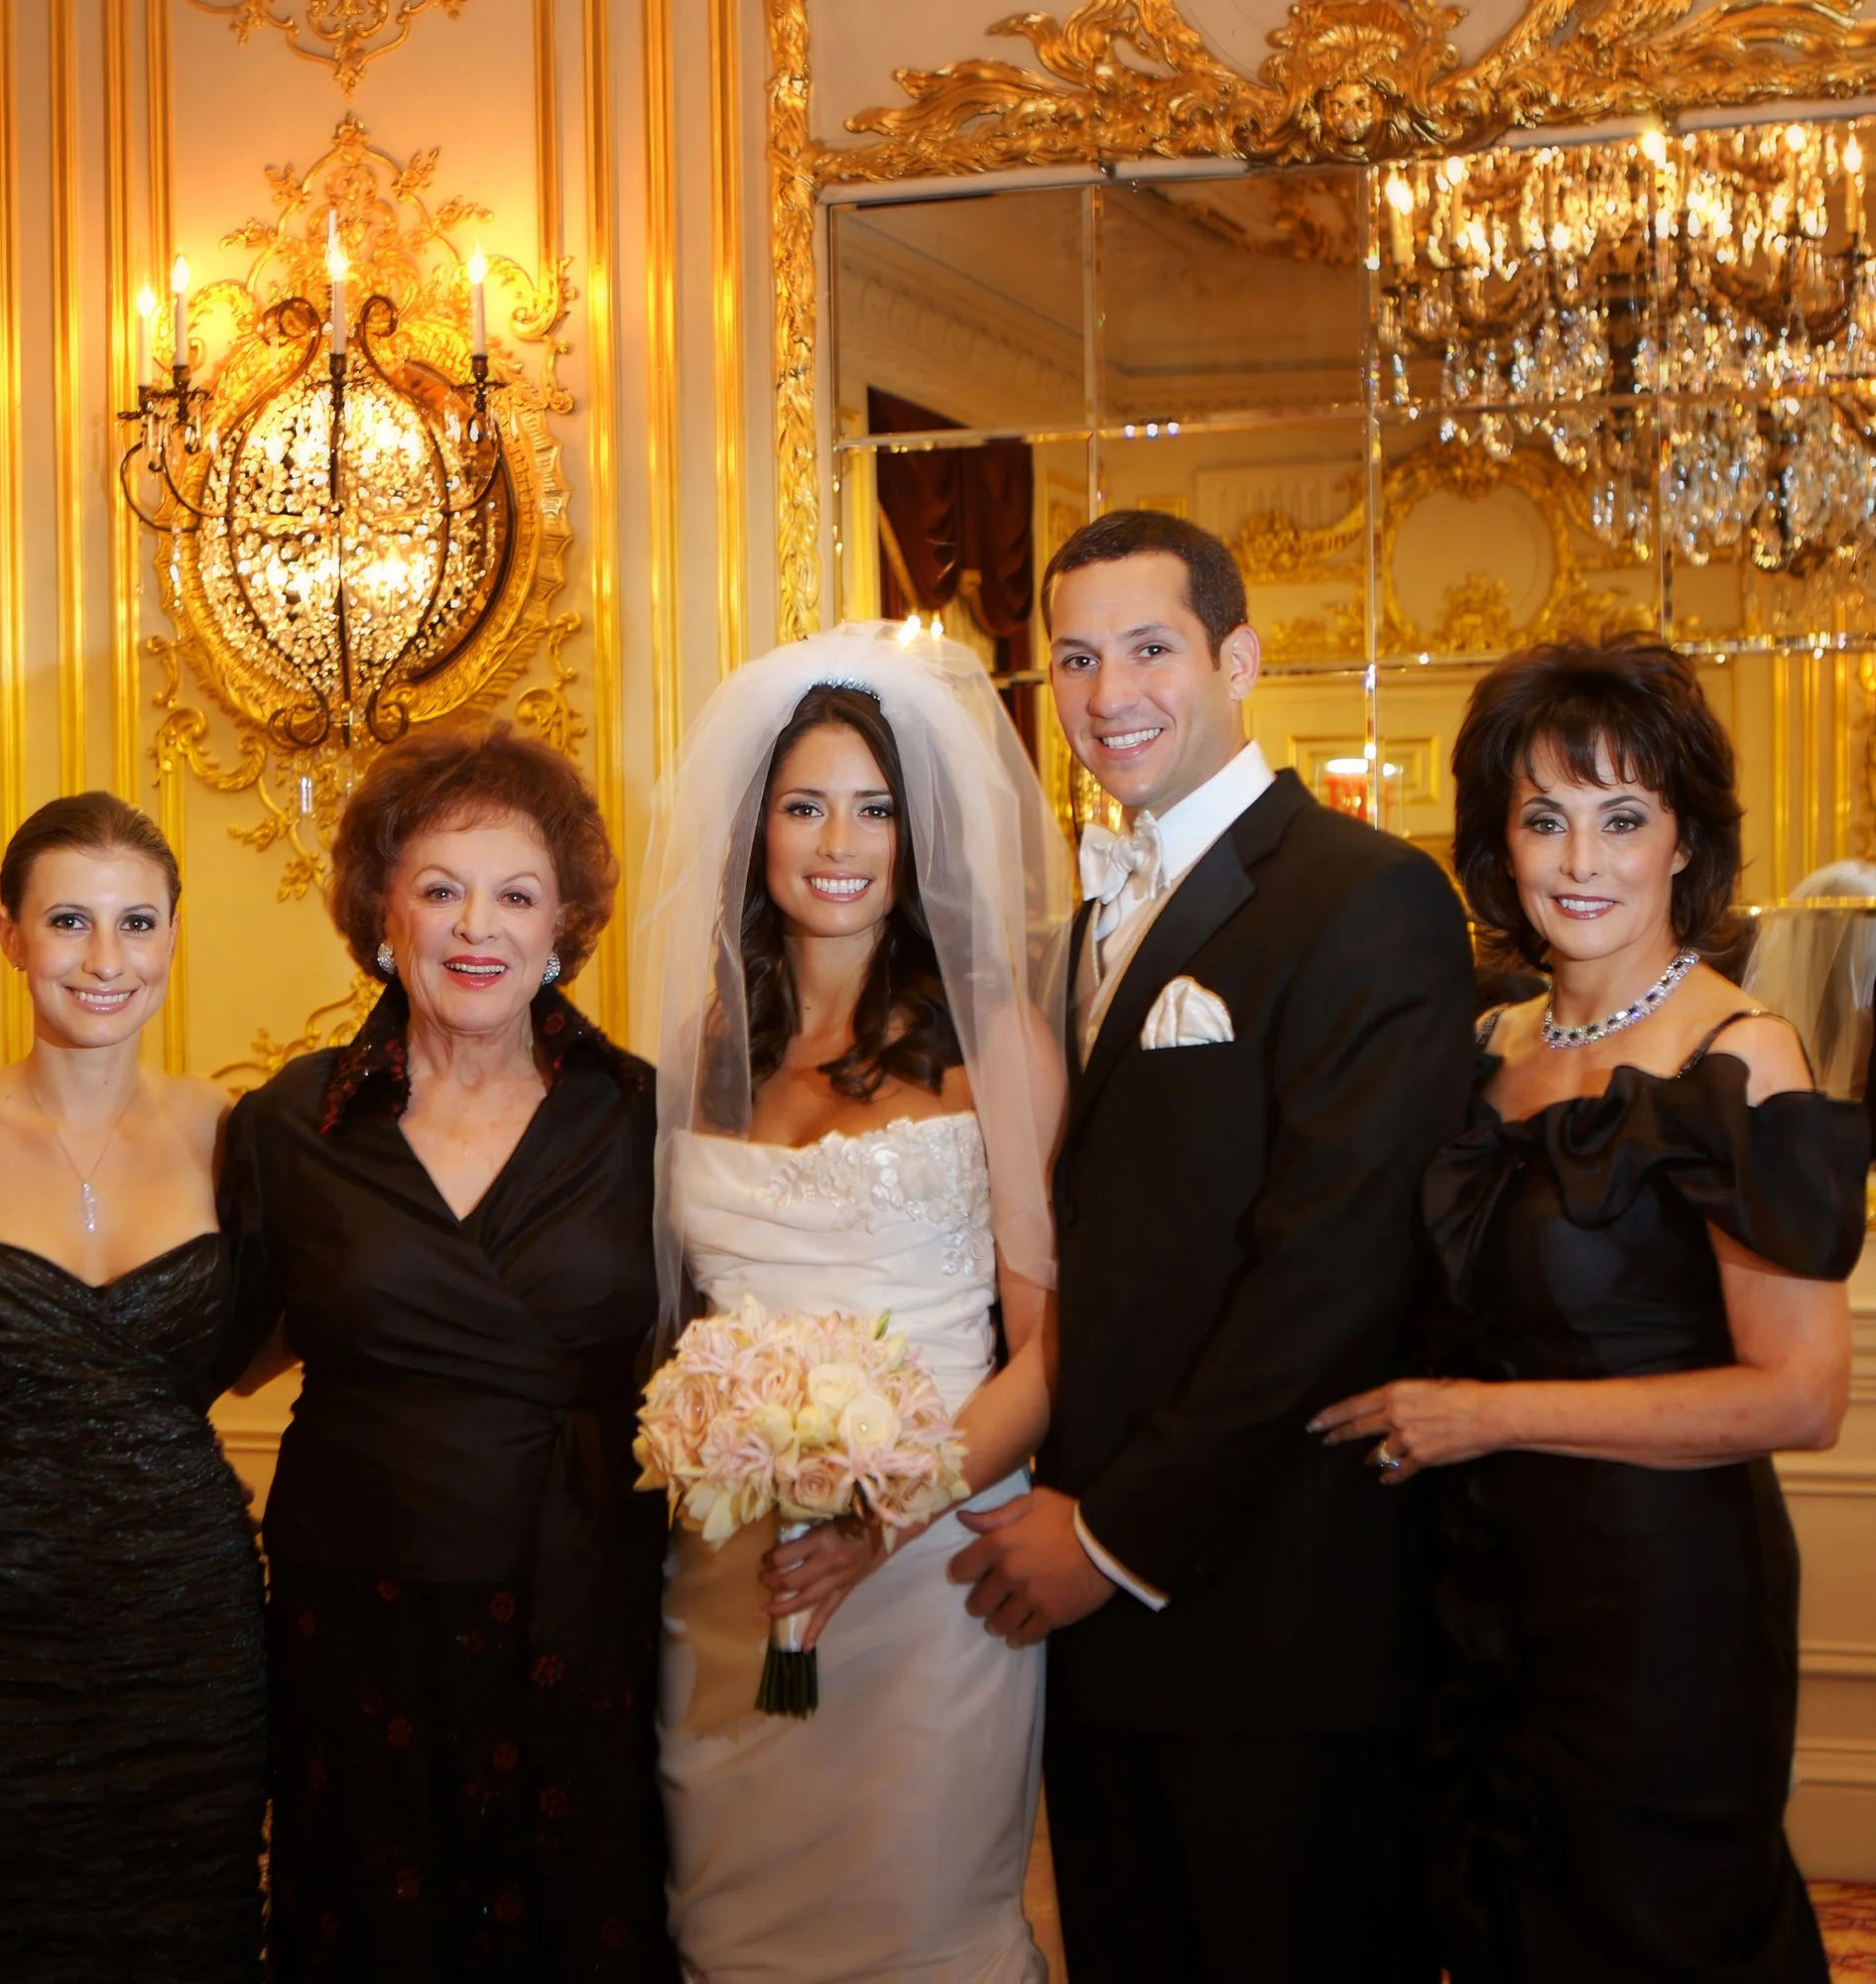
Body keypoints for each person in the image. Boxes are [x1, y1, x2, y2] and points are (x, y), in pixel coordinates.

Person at [948, 509, 1477, 1983]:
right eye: (1073, 657)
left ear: (1239, 657)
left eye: (1151, 648)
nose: (1109, 692)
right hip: (1103, 1619)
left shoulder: (1362, 896)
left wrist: (1114, 1540)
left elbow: (1333, 1271)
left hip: (1273, 1614)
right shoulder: (1079, 922)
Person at [1313, 640, 1858, 1983]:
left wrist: (1488, 1419)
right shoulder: (1489, 1047)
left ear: (1684, 844)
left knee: (1652, 1933)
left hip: (1661, 1600)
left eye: (1624, 820)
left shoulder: (1742, 1053)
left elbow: (1800, 1394)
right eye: (1545, 818)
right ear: (1500, 841)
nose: (1582, 861)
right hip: (1479, 1584)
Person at [643, 622, 1065, 1982]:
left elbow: (1053, 1349)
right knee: (730, 1921)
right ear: (756, 829)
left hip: (937, 1576)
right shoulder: (702, 1052)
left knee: (914, 1926)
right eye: (806, 804)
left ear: (916, 832)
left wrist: (885, 1523)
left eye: (874, 808)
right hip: (733, 1570)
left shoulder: (993, 1039)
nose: (841, 840)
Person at [221, 723, 676, 1981]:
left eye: (516, 894)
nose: (478, 926)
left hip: (583, 1597)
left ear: (562, 928)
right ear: (382, 914)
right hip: (359, 1604)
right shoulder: (287, 1121)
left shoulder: (644, 1116)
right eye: (439, 889)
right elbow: (203, 1344)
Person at [0, 792, 264, 1980]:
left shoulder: (237, 1135)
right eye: (68, 920)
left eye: (137, 923)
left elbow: (307, 1324)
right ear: (8, 933)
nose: (106, 960)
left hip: (189, 1607)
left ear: (171, 937)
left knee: (192, 1912)